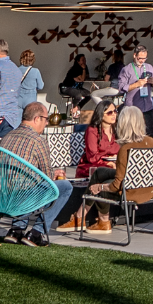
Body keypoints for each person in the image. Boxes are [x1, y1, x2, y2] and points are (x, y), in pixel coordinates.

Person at [73, 105, 153, 234]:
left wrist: (100, 188)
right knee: (100, 172)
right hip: (151, 189)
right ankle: (81, 217)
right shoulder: (152, 143)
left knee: (100, 184)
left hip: (132, 192)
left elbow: (116, 185)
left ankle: (102, 221)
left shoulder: (126, 148)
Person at [0, 103, 74, 246]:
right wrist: (54, 173)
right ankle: (37, 232)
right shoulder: (38, 140)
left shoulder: (6, 137)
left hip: (0, 196)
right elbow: (47, 176)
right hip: (24, 196)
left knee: (22, 183)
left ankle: (17, 229)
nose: (46, 123)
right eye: (46, 119)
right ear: (37, 118)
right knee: (65, 186)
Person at [58, 98, 122, 234]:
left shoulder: (117, 130)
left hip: (108, 167)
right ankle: (103, 220)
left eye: (115, 111)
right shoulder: (92, 131)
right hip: (90, 166)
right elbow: (92, 156)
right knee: (100, 174)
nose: (114, 115)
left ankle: (81, 218)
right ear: (101, 114)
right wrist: (108, 163)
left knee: (102, 176)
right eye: (110, 112)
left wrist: (115, 162)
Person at [116, 46, 153, 136]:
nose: (142, 61)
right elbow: (121, 88)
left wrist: (152, 82)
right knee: (132, 135)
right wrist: (136, 84)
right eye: (140, 58)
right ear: (134, 55)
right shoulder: (126, 69)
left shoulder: (149, 67)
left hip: (147, 107)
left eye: (145, 58)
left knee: (151, 134)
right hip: (132, 108)